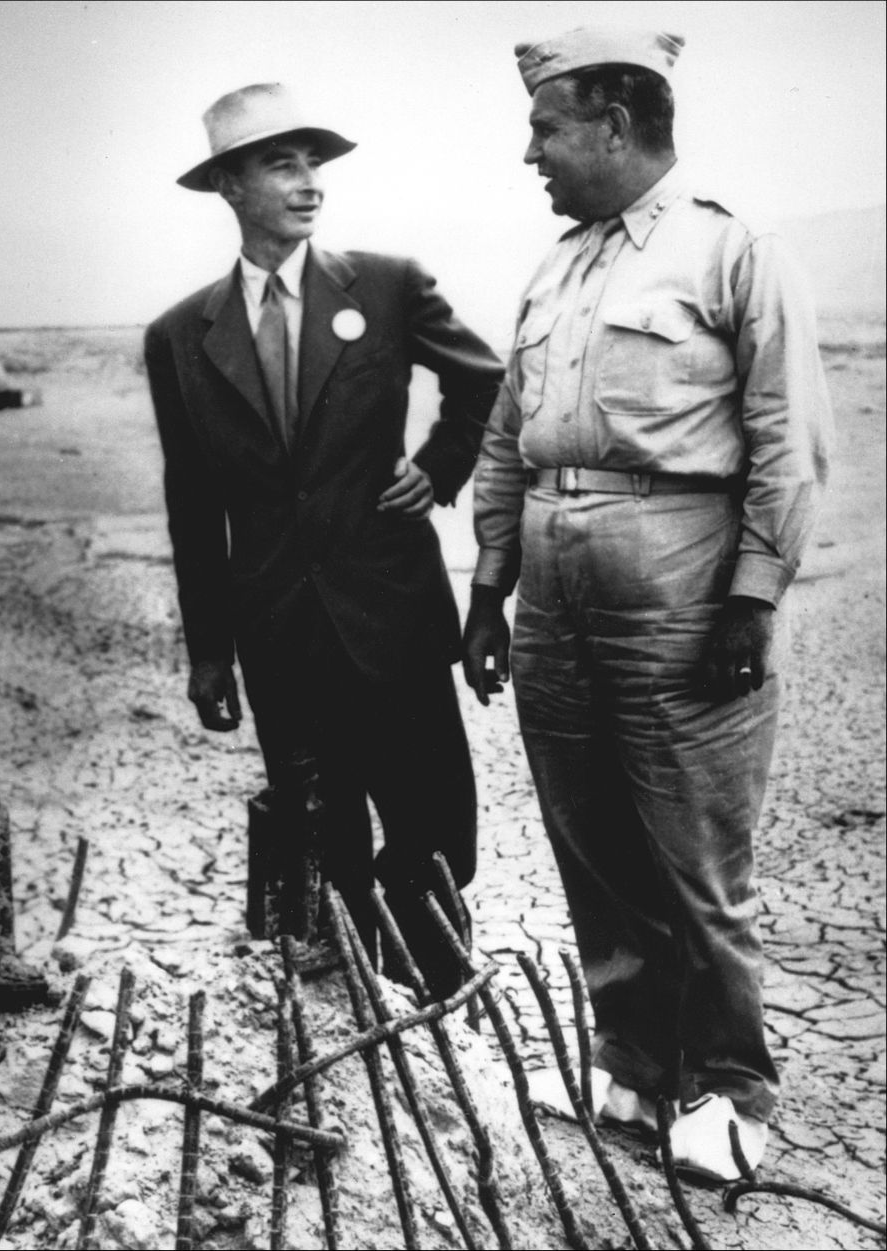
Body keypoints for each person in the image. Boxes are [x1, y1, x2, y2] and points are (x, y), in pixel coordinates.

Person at [463, 29, 832, 1181]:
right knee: (592, 846)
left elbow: (787, 440)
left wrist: (751, 599)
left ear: (615, 127)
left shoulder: (733, 251)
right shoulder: (556, 266)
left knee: (693, 858)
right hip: (555, 605)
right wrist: (486, 587)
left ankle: (729, 1092)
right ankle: (632, 1068)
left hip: (680, 593)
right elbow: (506, 439)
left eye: (547, 127)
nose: (532, 153)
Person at [144, 83, 503, 992]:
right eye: (282, 163)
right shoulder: (182, 336)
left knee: (436, 835)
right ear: (228, 184)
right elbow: (194, 504)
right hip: (280, 639)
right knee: (319, 840)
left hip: (393, 621)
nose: (311, 184)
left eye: (315, 164)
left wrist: (441, 463)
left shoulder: (386, 285)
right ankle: (351, 1026)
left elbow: (487, 385)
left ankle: (431, 1009)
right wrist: (210, 652)